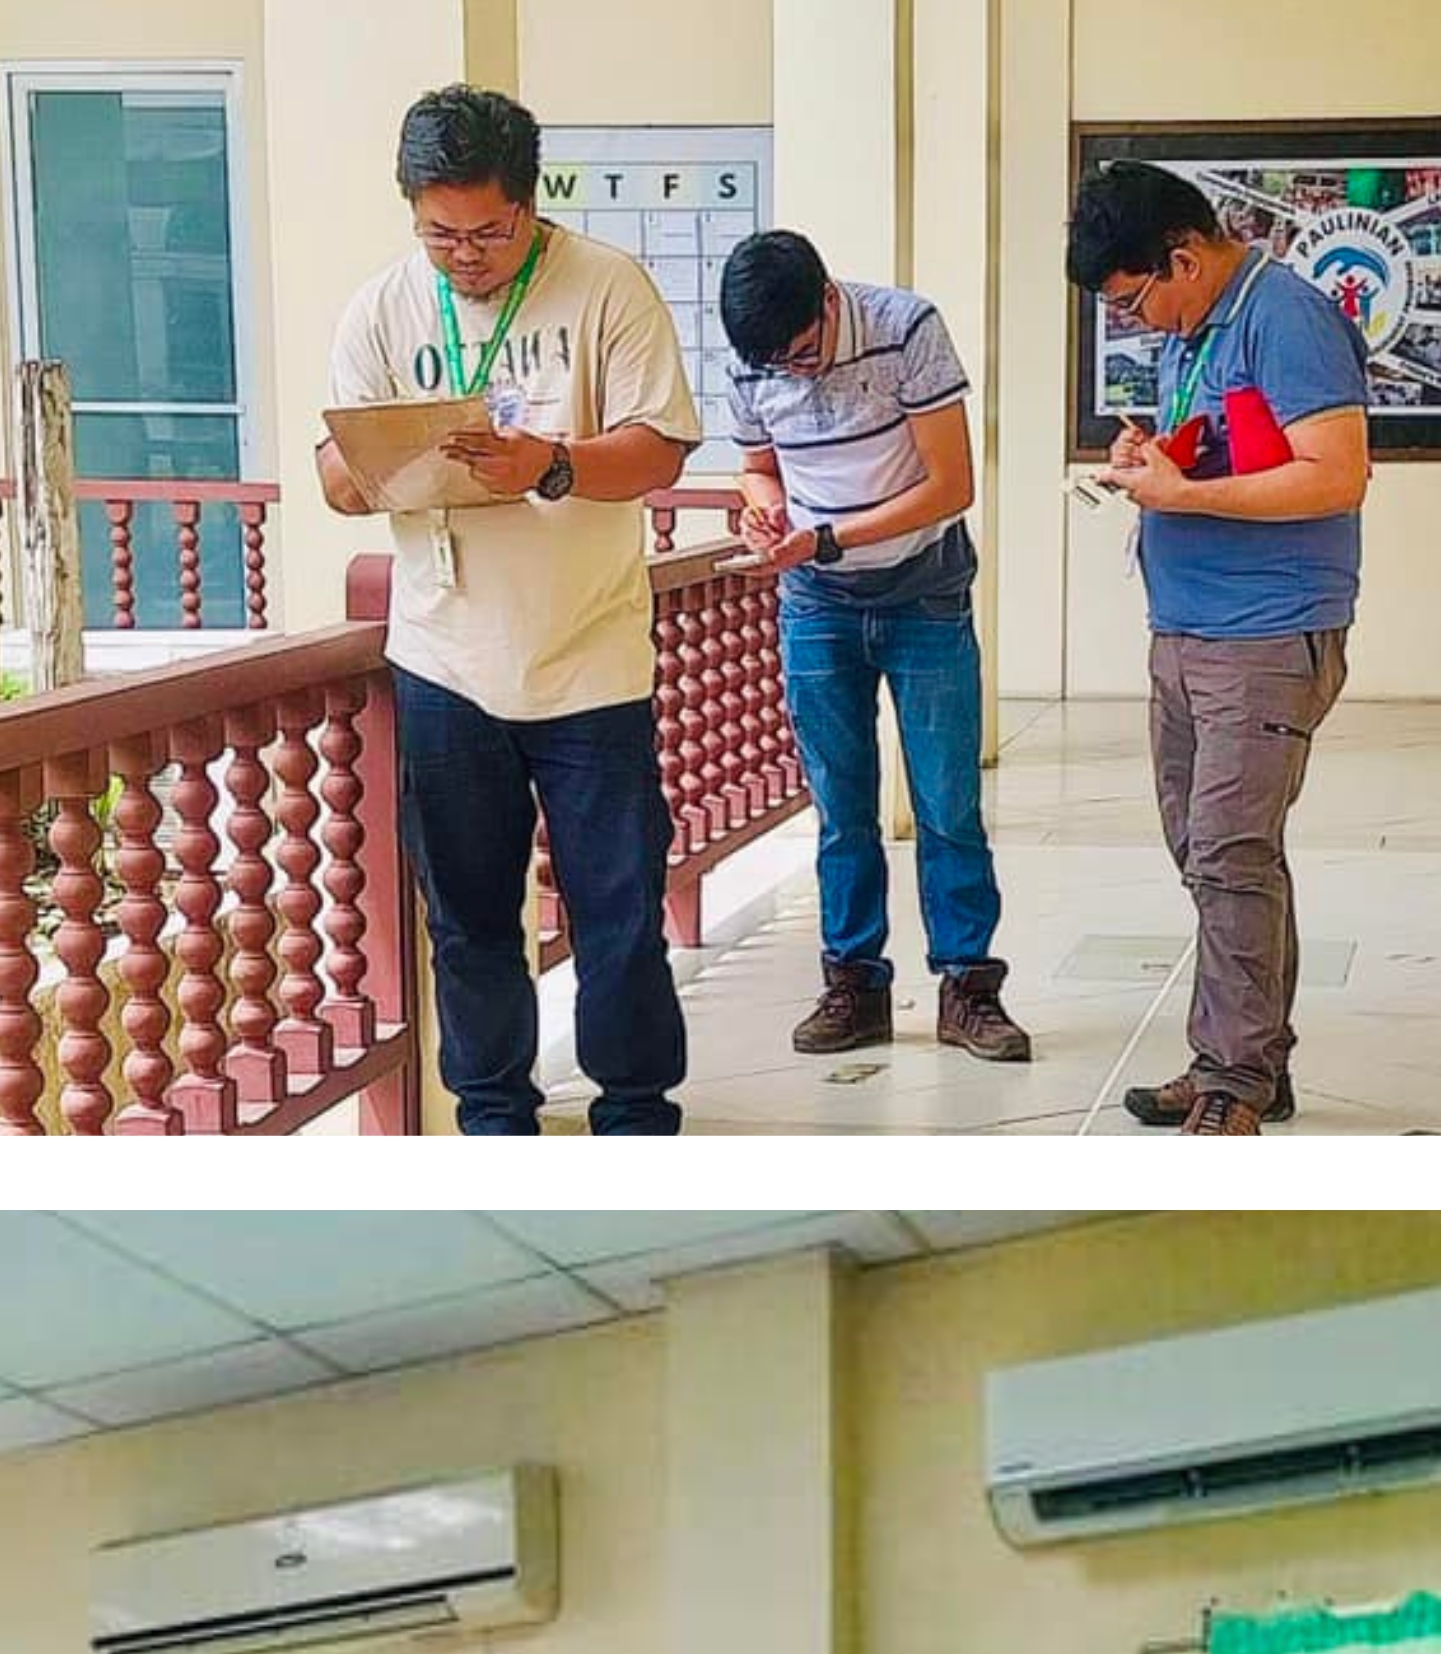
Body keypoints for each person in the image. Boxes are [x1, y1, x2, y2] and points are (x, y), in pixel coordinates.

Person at [320, 86, 703, 1135]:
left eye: (487, 231)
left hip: (588, 659)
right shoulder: (382, 308)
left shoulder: (605, 289)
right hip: (444, 659)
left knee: (617, 910)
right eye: (439, 234)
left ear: (530, 205)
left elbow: (660, 449)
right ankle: (492, 1114)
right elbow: (334, 472)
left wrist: (551, 463)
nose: (464, 255)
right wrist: (367, 471)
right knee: (469, 916)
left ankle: (635, 1108)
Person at [1068, 159, 1371, 1137]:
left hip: (1265, 632)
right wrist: (1154, 461)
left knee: (1232, 854)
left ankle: (1233, 1080)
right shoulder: (1196, 327)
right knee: (1208, 854)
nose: (1134, 320)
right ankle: (1240, 1061)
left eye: (1132, 298)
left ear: (1181, 256)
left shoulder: (1283, 317)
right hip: (1185, 624)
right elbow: (1236, 445)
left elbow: (1335, 475)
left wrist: (1184, 497)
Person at [716, 231, 1030, 1069]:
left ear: (828, 297)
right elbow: (757, 467)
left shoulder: (905, 328)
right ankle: (853, 982)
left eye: (806, 354)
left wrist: (824, 539)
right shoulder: (755, 356)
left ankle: (968, 985)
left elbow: (950, 484)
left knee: (945, 801)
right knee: (839, 804)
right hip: (814, 603)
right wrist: (762, 508)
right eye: (778, 366)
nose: (798, 373)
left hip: (922, 591)